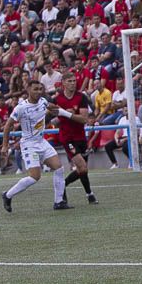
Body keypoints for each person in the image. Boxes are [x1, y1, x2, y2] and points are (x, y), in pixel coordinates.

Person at [0, 81, 68, 212]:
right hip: (29, 144)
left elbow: (52, 107)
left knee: (59, 168)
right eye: (35, 89)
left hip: (41, 141)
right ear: (28, 90)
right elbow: (8, 125)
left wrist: (61, 111)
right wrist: (4, 146)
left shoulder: (43, 101)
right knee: (35, 177)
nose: (38, 91)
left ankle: (59, 202)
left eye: (40, 89)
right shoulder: (21, 108)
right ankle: (7, 195)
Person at [53, 73, 97, 205]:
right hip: (67, 138)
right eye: (70, 81)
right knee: (82, 167)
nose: (73, 83)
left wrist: (66, 114)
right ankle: (89, 194)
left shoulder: (81, 97)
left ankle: (85, 193)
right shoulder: (57, 99)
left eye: (74, 81)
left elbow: (84, 119)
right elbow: (53, 118)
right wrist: (61, 116)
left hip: (80, 137)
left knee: (82, 170)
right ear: (63, 83)